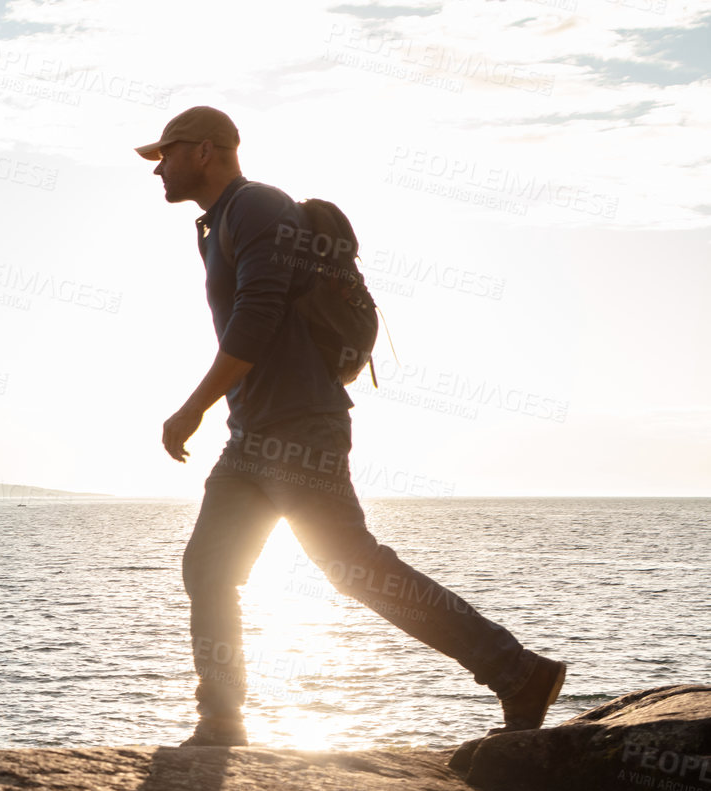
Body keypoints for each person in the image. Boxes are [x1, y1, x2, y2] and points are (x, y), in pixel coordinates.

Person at [138, 106, 566, 747]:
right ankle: (221, 719)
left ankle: (517, 672)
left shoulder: (257, 208)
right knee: (208, 565)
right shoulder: (215, 225)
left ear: (204, 151)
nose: (158, 169)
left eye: (164, 155)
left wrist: (192, 406)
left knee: (349, 564)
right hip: (253, 433)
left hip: (302, 427)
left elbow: (253, 322)